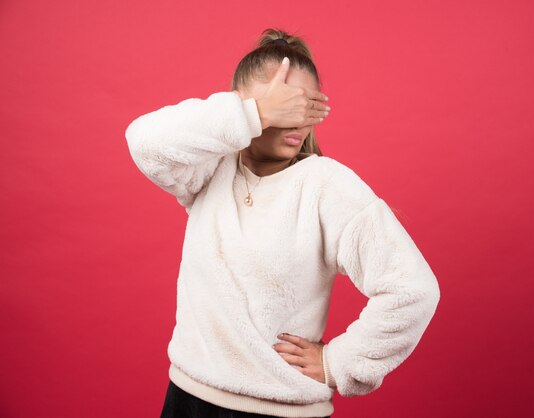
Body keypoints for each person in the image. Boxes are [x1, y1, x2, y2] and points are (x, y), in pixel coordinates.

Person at [125, 28, 441, 418]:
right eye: (283, 104)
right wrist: (254, 113)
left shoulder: (328, 185)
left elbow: (413, 288)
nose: (296, 119)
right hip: (187, 399)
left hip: (283, 411)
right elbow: (144, 142)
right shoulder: (209, 171)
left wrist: (340, 362)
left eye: (306, 106)